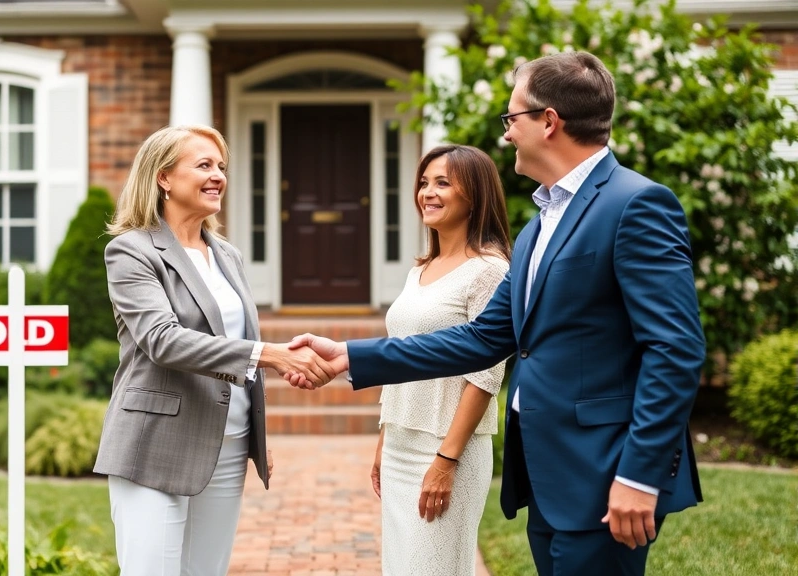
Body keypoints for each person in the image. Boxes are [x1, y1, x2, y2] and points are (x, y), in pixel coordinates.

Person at [289, 52, 705, 576]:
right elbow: (483, 338)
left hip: (607, 474)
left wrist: (640, 475)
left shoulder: (636, 204)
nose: (507, 134)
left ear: (548, 122)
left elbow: (675, 349)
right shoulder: (538, 227)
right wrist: (348, 355)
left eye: (512, 119)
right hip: (549, 480)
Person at [93, 125, 334, 576]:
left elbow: (232, 338)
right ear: (163, 178)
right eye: (203, 165)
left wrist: (254, 427)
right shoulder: (131, 251)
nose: (218, 175)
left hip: (226, 444)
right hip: (154, 445)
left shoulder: (227, 254)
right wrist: (273, 355)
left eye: (221, 166)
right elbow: (162, 339)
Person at [372, 144, 512, 575]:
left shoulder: (490, 270)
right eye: (424, 182)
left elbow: (486, 376)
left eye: (443, 183)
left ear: (475, 194)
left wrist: (446, 461)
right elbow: (401, 360)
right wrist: (384, 439)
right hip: (400, 443)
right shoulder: (422, 269)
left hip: (448, 448)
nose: (427, 193)